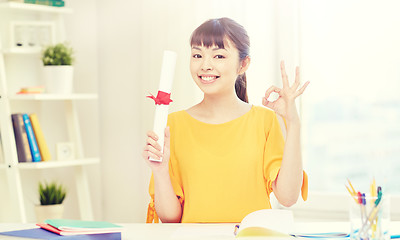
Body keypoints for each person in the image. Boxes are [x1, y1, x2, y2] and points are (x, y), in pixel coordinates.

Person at [143, 17, 309, 223]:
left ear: (243, 64)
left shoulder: (264, 120)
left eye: (219, 56)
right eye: (197, 55)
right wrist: (159, 171)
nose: (205, 65)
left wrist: (293, 123)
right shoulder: (173, 125)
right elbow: (170, 218)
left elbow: (288, 196)